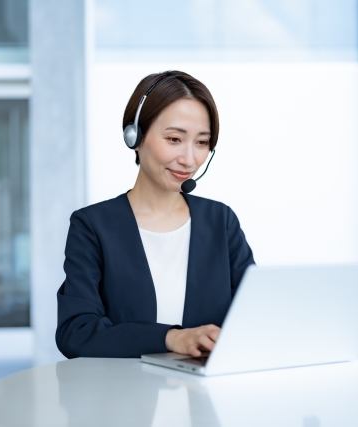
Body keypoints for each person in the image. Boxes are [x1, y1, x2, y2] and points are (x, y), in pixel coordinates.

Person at [56, 71, 255, 358]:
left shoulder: (220, 222)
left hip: (204, 396)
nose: (189, 159)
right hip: (126, 396)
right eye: (174, 139)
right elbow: (76, 332)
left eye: (201, 142)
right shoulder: (92, 226)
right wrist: (171, 338)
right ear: (134, 136)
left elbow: (255, 316)